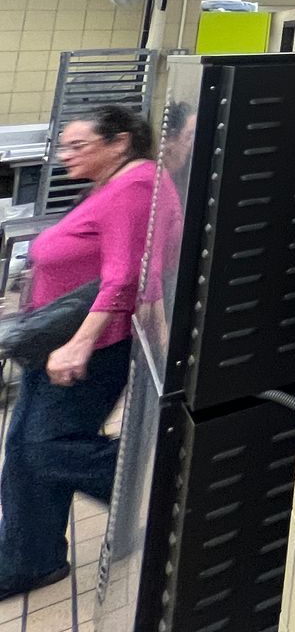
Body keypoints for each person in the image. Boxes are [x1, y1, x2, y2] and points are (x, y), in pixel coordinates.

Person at [0, 105, 167, 599]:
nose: (66, 155)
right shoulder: (109, 183)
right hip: (52, 344)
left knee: (44, 448)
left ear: (119, 143)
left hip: (91, 350)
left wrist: (78, 344)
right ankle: (30, 560)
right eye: (64, 145)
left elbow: (125, 276)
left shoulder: (136, 185)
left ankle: (151, 491)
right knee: (22, 455)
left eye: (79, 145)